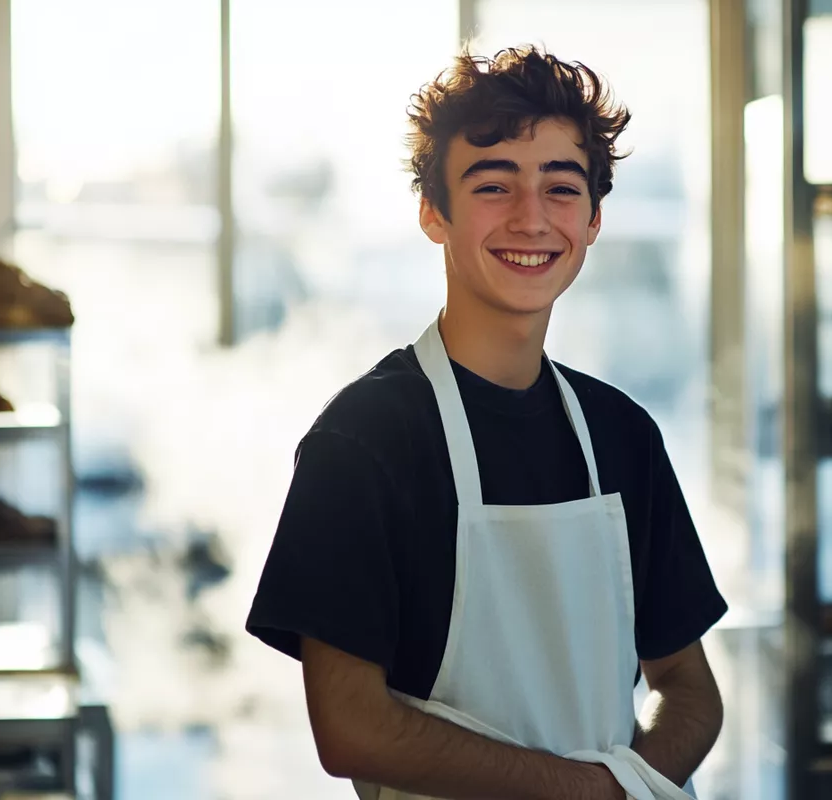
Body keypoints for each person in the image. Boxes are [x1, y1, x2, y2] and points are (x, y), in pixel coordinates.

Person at [246, 45, 728, 800]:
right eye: (493, 185)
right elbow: (349, 727)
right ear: (434, 213)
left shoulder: (622, 434)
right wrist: (590, 790)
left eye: (560, 189)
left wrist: (623, 786)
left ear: (594, 221)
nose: (531, 219)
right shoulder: (363, 441)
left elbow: (690, 688)